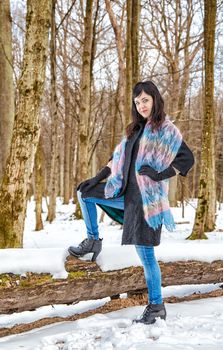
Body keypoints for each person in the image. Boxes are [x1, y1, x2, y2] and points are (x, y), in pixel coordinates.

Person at [68, 81, 194, 325]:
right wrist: (98, 178)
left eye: (145, 100)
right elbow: (115, 158)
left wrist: (159, 175)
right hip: (122, 193)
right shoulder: (134, 130)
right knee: (85, 193)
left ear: (155, 100)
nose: (141, 105)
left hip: (146, 202)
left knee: (146, 256)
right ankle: (93, 240)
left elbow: (187, 159)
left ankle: (156, 306)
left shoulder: (167, 130)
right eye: (137, 102)